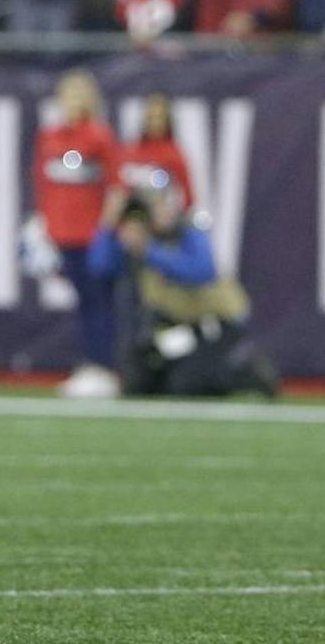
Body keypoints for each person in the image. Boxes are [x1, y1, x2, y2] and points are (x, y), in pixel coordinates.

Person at [91, 179, 277, 398]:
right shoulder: (139, 238)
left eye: (161, 205)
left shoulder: (189, 229)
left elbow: (202, 271)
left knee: (187, 385)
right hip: (174, 329)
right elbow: (100, 267)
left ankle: (248, 372)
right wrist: (109, 223)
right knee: (137, 382)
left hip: (212, 326)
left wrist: (150, 250)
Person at [32, 69, 119, 398]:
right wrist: (45, 226)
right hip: (63, 234)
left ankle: (103, 366)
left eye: (77, 96)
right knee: (84, 303)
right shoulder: (50, 137)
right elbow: (43, 184)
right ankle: (90, 364)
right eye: (66, 95)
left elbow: (116, 186)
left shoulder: (98, 136)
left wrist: (106, 231)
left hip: (92, 234)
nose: (70, 103)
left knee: (99, 302)